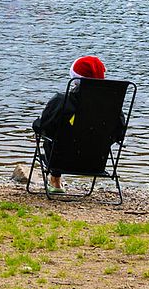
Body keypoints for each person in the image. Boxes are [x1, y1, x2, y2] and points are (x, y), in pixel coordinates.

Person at [32, 56, 125, 193]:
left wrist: (36, 123)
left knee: (54, 137)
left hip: (61, 160)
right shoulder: (112, 107)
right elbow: (119, 134)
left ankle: (55, 182)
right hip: (95, 162)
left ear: (75, 79)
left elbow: (44, 127)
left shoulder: (62, 101)